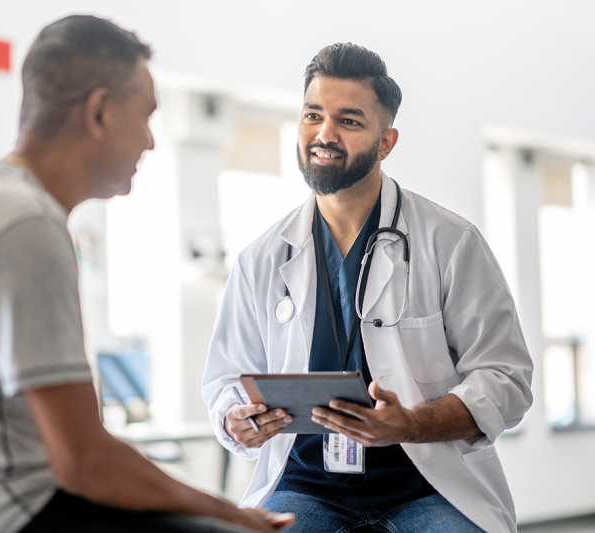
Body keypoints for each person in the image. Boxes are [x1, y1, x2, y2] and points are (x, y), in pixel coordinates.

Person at [0, 15, 294, 533]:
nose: (150, 142)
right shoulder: (24, 225)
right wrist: (229, 512)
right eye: (146, 116)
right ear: (100, 112)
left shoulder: (3, 206)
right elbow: (85, 461)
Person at [202, 43, 533, 533]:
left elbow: (506, 379)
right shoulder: (261, 258)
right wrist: (236, 418)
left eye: (349, 121)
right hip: (305, 486)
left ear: (385, 143)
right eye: (313, 115)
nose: (324, 134)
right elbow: (225, 380)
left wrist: (410, 425)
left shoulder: (450, 241)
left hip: (428, 487)